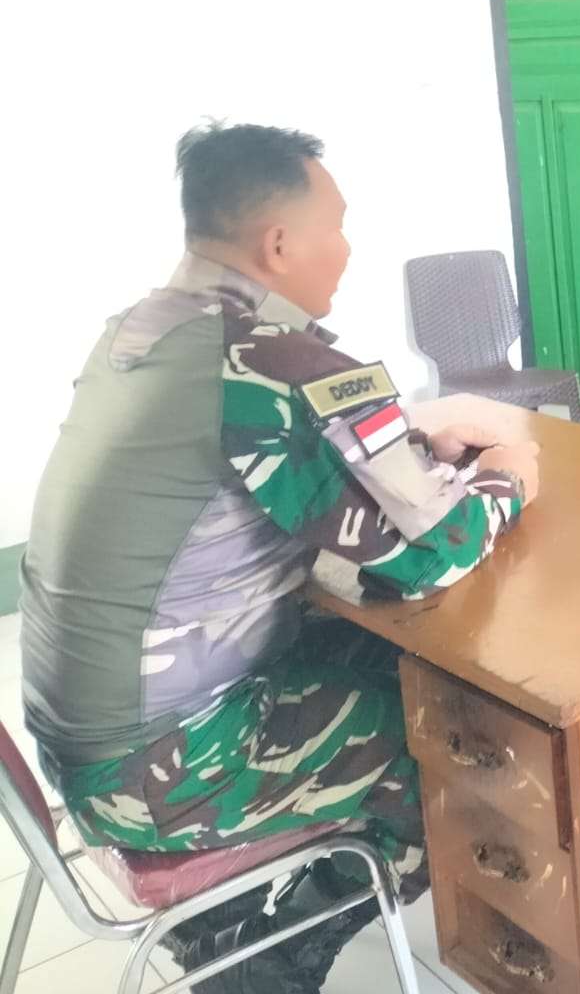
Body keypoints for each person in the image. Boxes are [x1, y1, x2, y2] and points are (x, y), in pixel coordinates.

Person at [18, 123, 539, 992]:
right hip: (162, 765)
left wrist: (414, 446)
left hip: (85, 738)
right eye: (337, 225)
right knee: (448, 755)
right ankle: (264, 965)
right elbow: (429, 558)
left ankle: (221, 928)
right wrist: (508, 479)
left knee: (391, 658)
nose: (348, 247)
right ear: (279, 243)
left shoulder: (143, 331)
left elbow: (264, 465)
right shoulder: (273, 358)